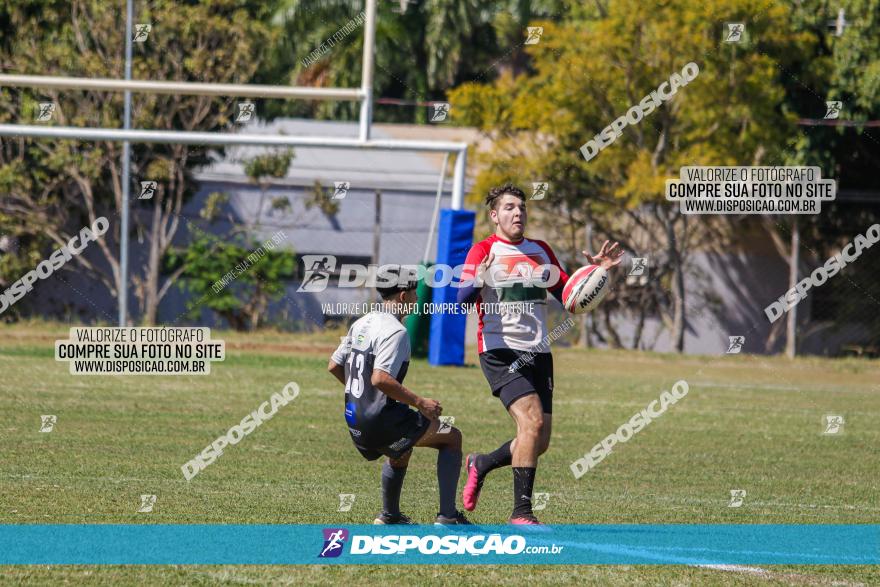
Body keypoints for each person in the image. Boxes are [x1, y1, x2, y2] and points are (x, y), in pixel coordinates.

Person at [457, 183, 623, 524]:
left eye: (521, 208)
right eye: (509, 208)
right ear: (494, 215)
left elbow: (569, 297)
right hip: (500, 351)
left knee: (538, 439)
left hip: (538, 352)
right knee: (530, 423)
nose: (517, 213)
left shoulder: (540, 250)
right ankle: (522, 513)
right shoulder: (482, 251)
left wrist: (597, 275)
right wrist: (481, 278)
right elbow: (459, 301)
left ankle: (482, 463)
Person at [328, 269, 471, 525]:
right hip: (381, 419)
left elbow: (334, 365)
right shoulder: (396, 331)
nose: (418, 298)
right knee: (452, 436)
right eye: (415, 293)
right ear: (404, 296)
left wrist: (360, 398)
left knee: (401, 448)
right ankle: (448, 516)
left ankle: (390, 515)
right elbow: (380, 378)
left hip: (354, 417)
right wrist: (420, 402)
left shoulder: (361, 322)